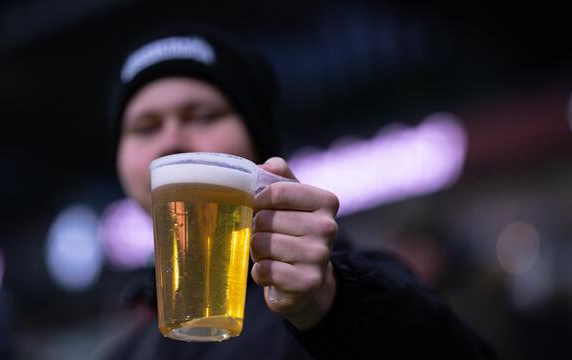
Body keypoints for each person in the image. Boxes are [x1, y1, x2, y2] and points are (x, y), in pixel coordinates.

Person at [104, 23, 495, 359]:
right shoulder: (126, 351)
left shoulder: (356, 288)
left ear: (259, 146)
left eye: (204, 115)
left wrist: (329, 305)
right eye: (145, 127)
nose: (172, 140)